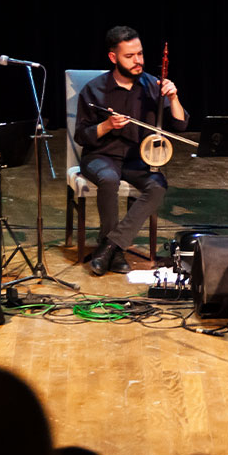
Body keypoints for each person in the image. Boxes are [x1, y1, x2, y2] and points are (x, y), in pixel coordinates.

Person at [75, 26, 186, 275]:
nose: (138, 61)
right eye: (130, 56)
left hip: (137, 160)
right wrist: (106, 125)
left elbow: (180, 125)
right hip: (100, 156)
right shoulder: (94, 90)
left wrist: (174, 98)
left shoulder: (152, 86)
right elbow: (81, 136)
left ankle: (110, 247)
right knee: (109, 178)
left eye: (140, 54)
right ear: (113, 58)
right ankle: (116, 252)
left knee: (157, 185)